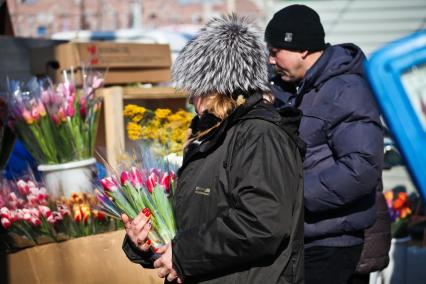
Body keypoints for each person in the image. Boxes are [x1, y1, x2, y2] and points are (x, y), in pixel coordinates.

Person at [121, 15, 305, 283]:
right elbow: (193, 218)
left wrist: (184, 254)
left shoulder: (259, 135)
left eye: (194, 88)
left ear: (215, 87)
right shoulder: (209, 135)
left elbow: (262, 224)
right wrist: (145, 242)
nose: (190, 98)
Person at [264, 4, 384, 284]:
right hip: (303, 236)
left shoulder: (347, 90)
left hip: (332, 244)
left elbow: (361, 168)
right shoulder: (293, 89)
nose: (270, 60)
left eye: (275, 51)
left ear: (302, 49)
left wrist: (294, 196)